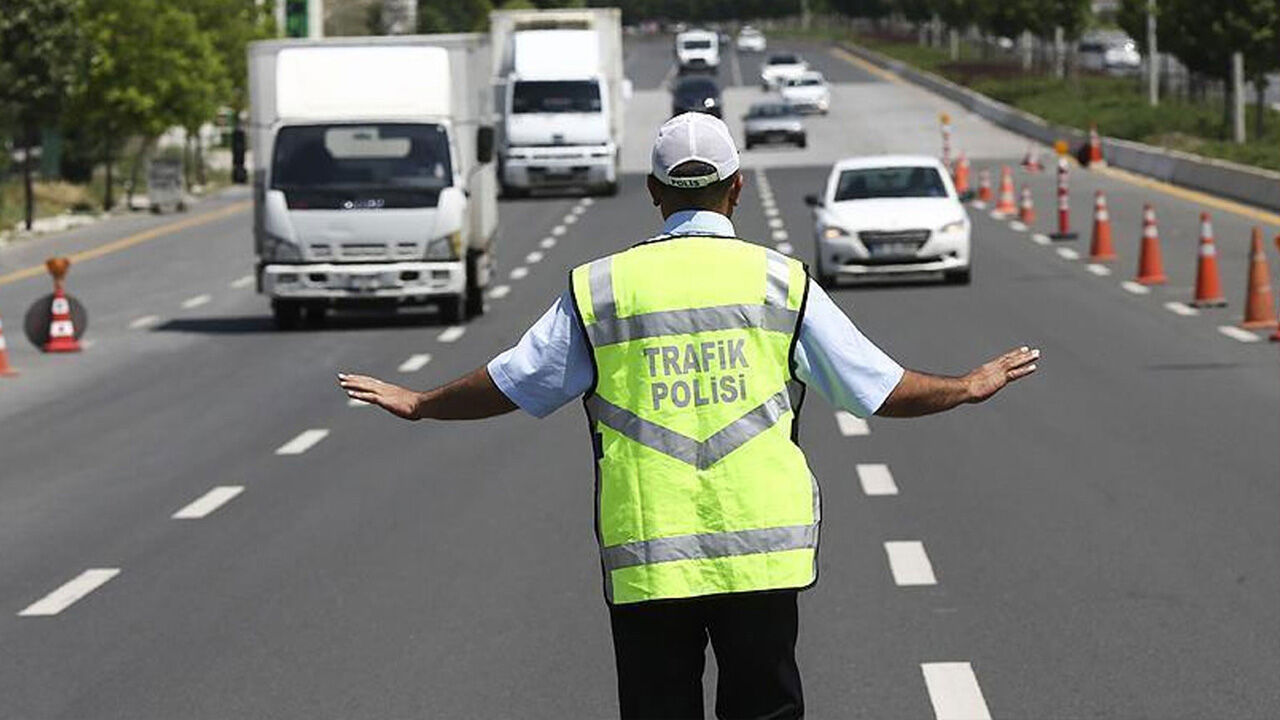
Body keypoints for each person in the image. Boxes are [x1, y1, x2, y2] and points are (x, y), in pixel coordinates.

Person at [338, 112, 1039, 720]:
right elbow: (877, 389)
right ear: (736, 189)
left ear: (653, 193)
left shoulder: (603, 288)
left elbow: (515, 382)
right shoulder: (780, 281)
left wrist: (421, 404)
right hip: (762, 556)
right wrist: (967, 385)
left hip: (649, 553)